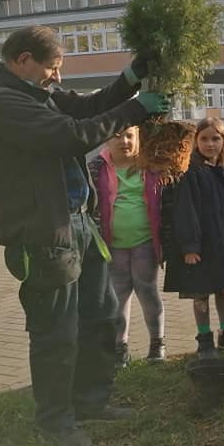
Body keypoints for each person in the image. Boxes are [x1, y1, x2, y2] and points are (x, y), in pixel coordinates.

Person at [0, 24, 170, 446]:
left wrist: (130, 78)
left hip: (79, 223)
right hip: (43, 234)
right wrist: (136, 111)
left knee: (101, 317)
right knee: (56, 333)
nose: (57, 77)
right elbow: (71, 135)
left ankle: (91, 400)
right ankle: (55, 421)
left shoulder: (34, 93)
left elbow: (87, 108)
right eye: (52, 67)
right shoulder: (0, 102)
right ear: (23, 60)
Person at [162, 117, 224, 358]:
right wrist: (189, 246)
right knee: (201, 292)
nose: (210, 144)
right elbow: (185, 212)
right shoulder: (190, 173)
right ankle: (204, 337)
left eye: (215, 139)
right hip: (201, 246)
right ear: (195, 142)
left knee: (223, 288)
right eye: (205, 139)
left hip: (223, 243)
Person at [87, 126, 165, 367]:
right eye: (117, 136)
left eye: (130, 135)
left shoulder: (151, 166)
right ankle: (120, 346)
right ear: (106, 140)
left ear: (139, 137)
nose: (124, 141)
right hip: (113, 245)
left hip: (144, 242)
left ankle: (157, 342)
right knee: (117, 296)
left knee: (147, 291)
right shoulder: (96, 168)